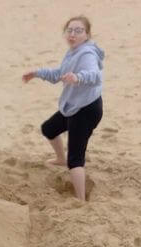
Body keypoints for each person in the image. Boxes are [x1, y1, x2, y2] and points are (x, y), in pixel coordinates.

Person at [22, 15, 104, 201]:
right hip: (75, 106)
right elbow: (58, 74)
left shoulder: (87, 54)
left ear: (87, 34)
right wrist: (36, 73)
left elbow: (94, 75)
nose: (73, 34)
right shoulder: (73, 52)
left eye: (78, 30)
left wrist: (78, 78)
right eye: (70, 30)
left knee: (75, 159)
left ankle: (81, 200)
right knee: (49, 128)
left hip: (86, 109)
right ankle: (60, 158)